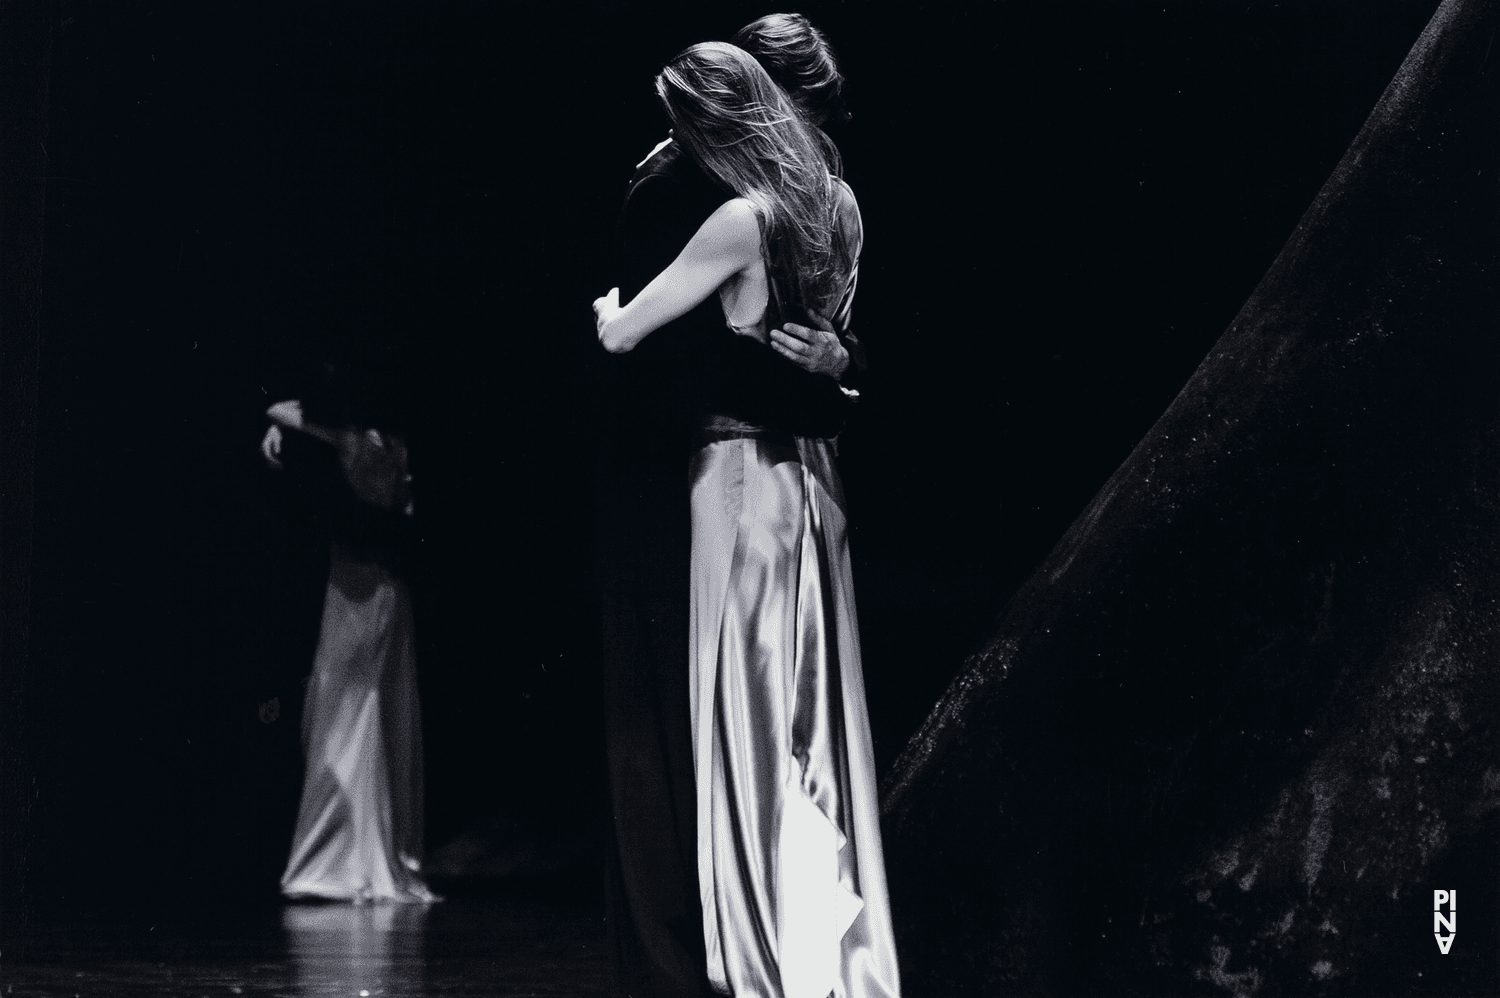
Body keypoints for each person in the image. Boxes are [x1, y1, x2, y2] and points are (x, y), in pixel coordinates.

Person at [594, 42, 900, 998]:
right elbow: (832, 353)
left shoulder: (741, 218)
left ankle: (767, 949)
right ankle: (835, 949)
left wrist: (610, 306)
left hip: (737, 481)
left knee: (748, 726)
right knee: (818, 720)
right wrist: (834, 364)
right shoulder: (839, 210)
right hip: (818, 485)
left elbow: (626, 331)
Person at [260, 370, 436, 905]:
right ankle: (372, 852)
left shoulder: (353, 440)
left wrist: (276, 428)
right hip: (382, 581)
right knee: (372, 716)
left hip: (356, 580)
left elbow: (282, 408)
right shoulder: (395, 448)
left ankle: (343, 857)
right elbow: (408, 516)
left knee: (348, 713)